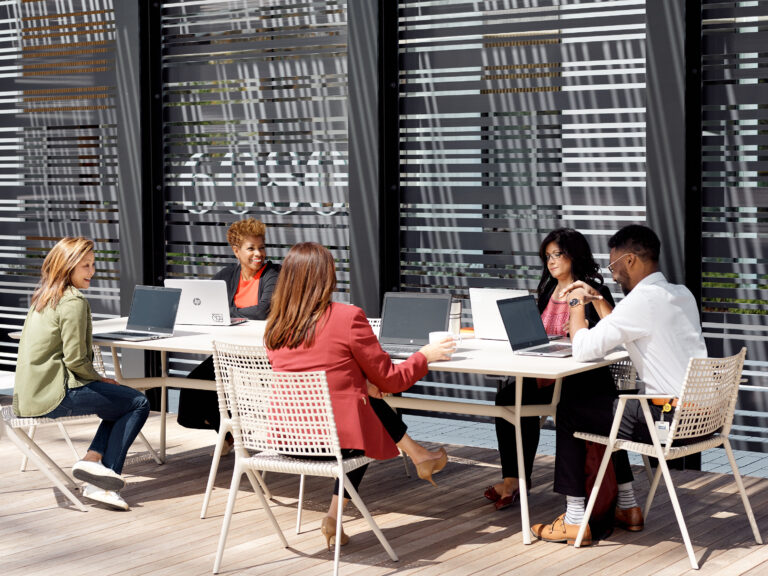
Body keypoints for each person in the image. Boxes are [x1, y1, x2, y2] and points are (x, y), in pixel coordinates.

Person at [265, 242, 455, 550]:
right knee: (363, 421)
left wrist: (361, 382)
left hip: (288, 441)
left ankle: (416, 457)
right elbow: (392, 380)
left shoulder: (276, 326)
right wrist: (424, 356)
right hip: (334, 443)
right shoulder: (347, 317)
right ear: (328, 276)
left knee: (364, 402)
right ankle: (413, 458)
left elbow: (311, 372)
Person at [531, 224, 708, 546]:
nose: (613, 274)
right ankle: (627, 506)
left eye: (614, 265)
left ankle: (574, 521)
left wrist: (576, 303)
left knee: (570, 409)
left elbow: (583, 349)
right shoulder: (681, 294)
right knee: (603, 406)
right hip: (702, 419)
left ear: (630, 260)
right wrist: (598, 299)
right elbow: (624, 329)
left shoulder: (641, 301)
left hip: (665, 420)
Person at [485, 228, 623, 511]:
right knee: (508, 399)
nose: (551, 261)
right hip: (545, 373)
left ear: (574, 255)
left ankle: (528, 484)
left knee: (523, 403)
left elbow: (607, 335)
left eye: (557, 254)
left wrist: (583, 326)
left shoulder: (592, 290)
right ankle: (514, 479)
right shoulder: (548, 289)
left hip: (578, 381)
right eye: (547, 256)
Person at [13, 237, 150, 511]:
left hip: (30, 394)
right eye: (85, 265)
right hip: (54, 393)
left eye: (93, 264)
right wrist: (100, 378)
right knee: (138, 402)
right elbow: (75, 359)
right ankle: (105, 483)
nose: (92, 271)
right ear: (68, 266)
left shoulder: (44, 296)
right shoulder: (73, 301)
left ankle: (92, 460)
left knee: (120, 402)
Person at [176, 218, 280, 450]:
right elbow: (205, 306)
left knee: (210, 385)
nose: (258, 254)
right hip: (228, 352)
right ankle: (230, 433)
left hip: (261, 354)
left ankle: (232, 434)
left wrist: (225, 313)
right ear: (236, 251)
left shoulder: (273, 273)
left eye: (261, 247)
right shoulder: (227, 275)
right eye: (251, 248)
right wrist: (222, 313)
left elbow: (262, 311)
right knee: (192, 388)